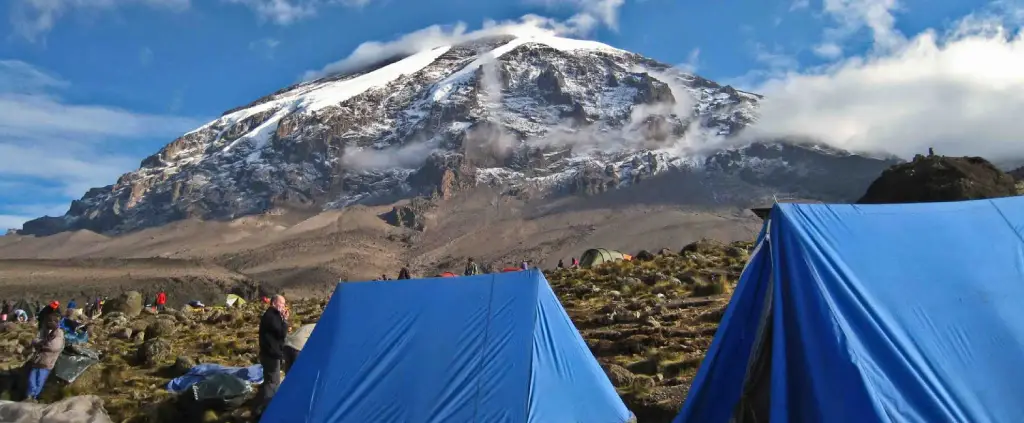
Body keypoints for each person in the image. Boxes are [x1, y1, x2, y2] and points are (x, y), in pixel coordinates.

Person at [258, 295, 289, 410]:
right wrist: (285, 321)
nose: (284, 306)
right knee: (273, 381)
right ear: (275, 303)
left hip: (268, 353)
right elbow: (281, 333)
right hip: (271, 354)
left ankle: (264, 406)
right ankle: (269, 408)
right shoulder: (272, 316)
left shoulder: (270, 315)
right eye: (282, 303)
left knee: (269, 379)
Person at [26, 313, 63, 402]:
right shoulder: (45, 330)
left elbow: (54, 346)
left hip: (47, 361)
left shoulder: (59, 333)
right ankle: (29, 396)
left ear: (55, 322)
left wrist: (41, 344)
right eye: (48, 322)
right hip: (38, 360)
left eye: (50, 322)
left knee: (39, 380)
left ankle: (34, 397)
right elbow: (36, 339)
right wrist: (40, 342)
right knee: (31, 379)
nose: (48, 324)